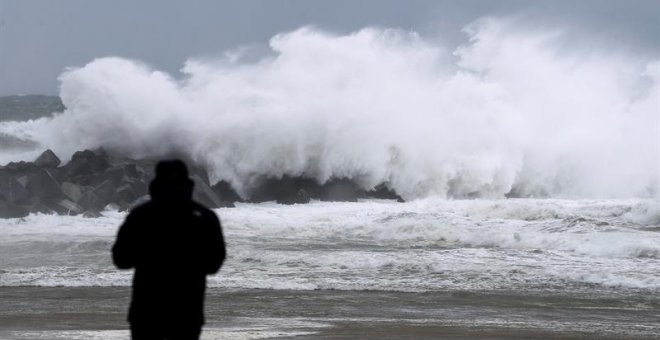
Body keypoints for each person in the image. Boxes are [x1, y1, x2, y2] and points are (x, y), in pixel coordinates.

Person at [112, 160, 226, 340]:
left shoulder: (140, 216)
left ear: (154, 186)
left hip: (147, 310)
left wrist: (149, 257)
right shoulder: (204, 217)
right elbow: (213, 264)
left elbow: (121, 259)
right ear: (188, 185)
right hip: (187, 310)